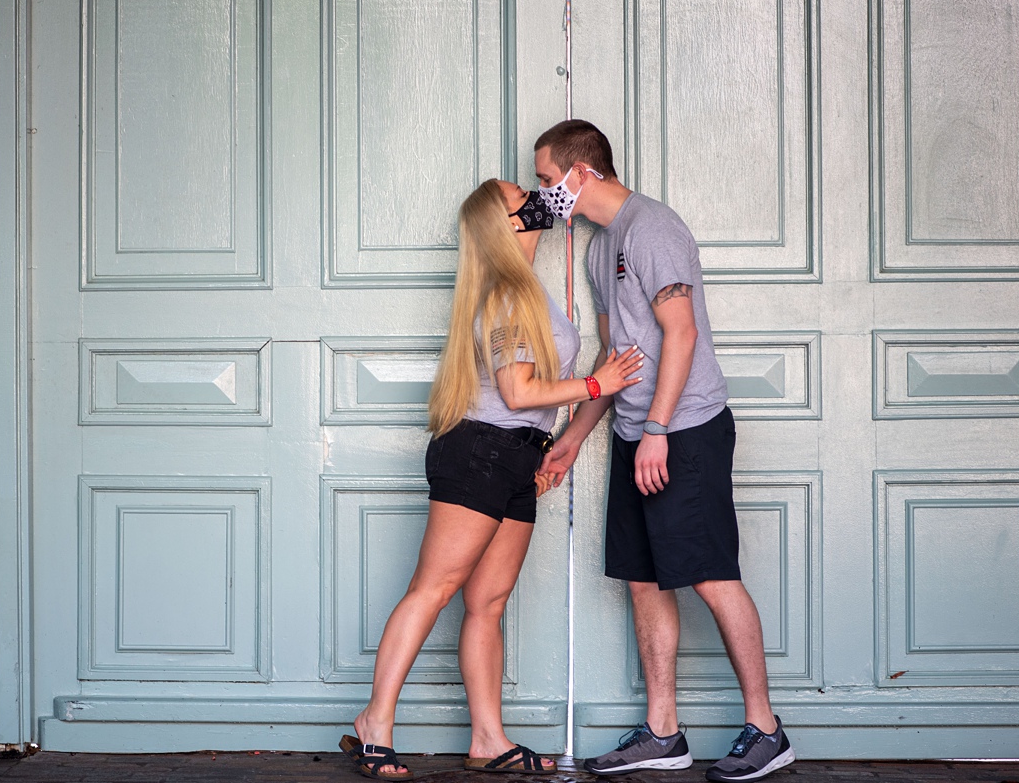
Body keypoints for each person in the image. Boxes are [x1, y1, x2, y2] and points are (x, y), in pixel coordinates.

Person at [340, 179, 643, 780]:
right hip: (478, 450)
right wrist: (594, 385)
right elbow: (517, 392)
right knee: (433, 590)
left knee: (488, 602)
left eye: (536, 193)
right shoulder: (506, 293)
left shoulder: (529, 289)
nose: (537, 203)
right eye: (521, 201)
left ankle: (488, 738)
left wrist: (556, 441)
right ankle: (374, 721)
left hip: (518, 456)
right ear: (501, 225)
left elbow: (529, 400)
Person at [533, 120, 795, 782]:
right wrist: (572, 438)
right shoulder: (598, 250)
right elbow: (610, 360)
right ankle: (661, 731)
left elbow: (680, 333)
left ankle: (767, 728)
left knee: (709, 571)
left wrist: (656, 428)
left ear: (583, 172)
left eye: (547, 179)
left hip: (686, 430)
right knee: (644, 579)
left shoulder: (652, 227)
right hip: (632, 433)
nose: (545, 193)